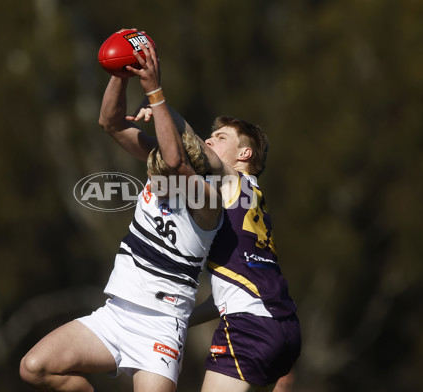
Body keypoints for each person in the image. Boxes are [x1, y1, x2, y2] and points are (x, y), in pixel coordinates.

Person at [19, 41, 222, 391]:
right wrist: (120, 72)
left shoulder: (206, 200)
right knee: (34, 367)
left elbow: (175, 162)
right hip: (115, 315)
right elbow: (110, 123)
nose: (154, 176)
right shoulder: (159, 166)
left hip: (161, 326)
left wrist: (153, 88)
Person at [125, 42, 301, 391]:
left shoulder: (232, 180)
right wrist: (180, 318)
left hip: (249, 324)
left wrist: (157, 98)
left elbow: (191, 144)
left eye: (220, 138)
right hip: (284, 325)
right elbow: (223, 296)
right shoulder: (254, 200)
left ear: (245, 153)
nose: (209, 141)